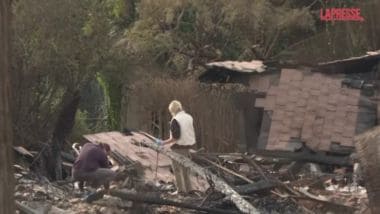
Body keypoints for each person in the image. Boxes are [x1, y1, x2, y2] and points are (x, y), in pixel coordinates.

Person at [156, 100, 196, 193]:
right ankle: (189, 190)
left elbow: (175, 137)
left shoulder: (175, 119)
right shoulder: (188, 117)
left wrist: (163, 142)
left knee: (177, 170)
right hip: (188, 147)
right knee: (186, 169)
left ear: (172, 110)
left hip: (177, 148)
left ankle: (181, 190)